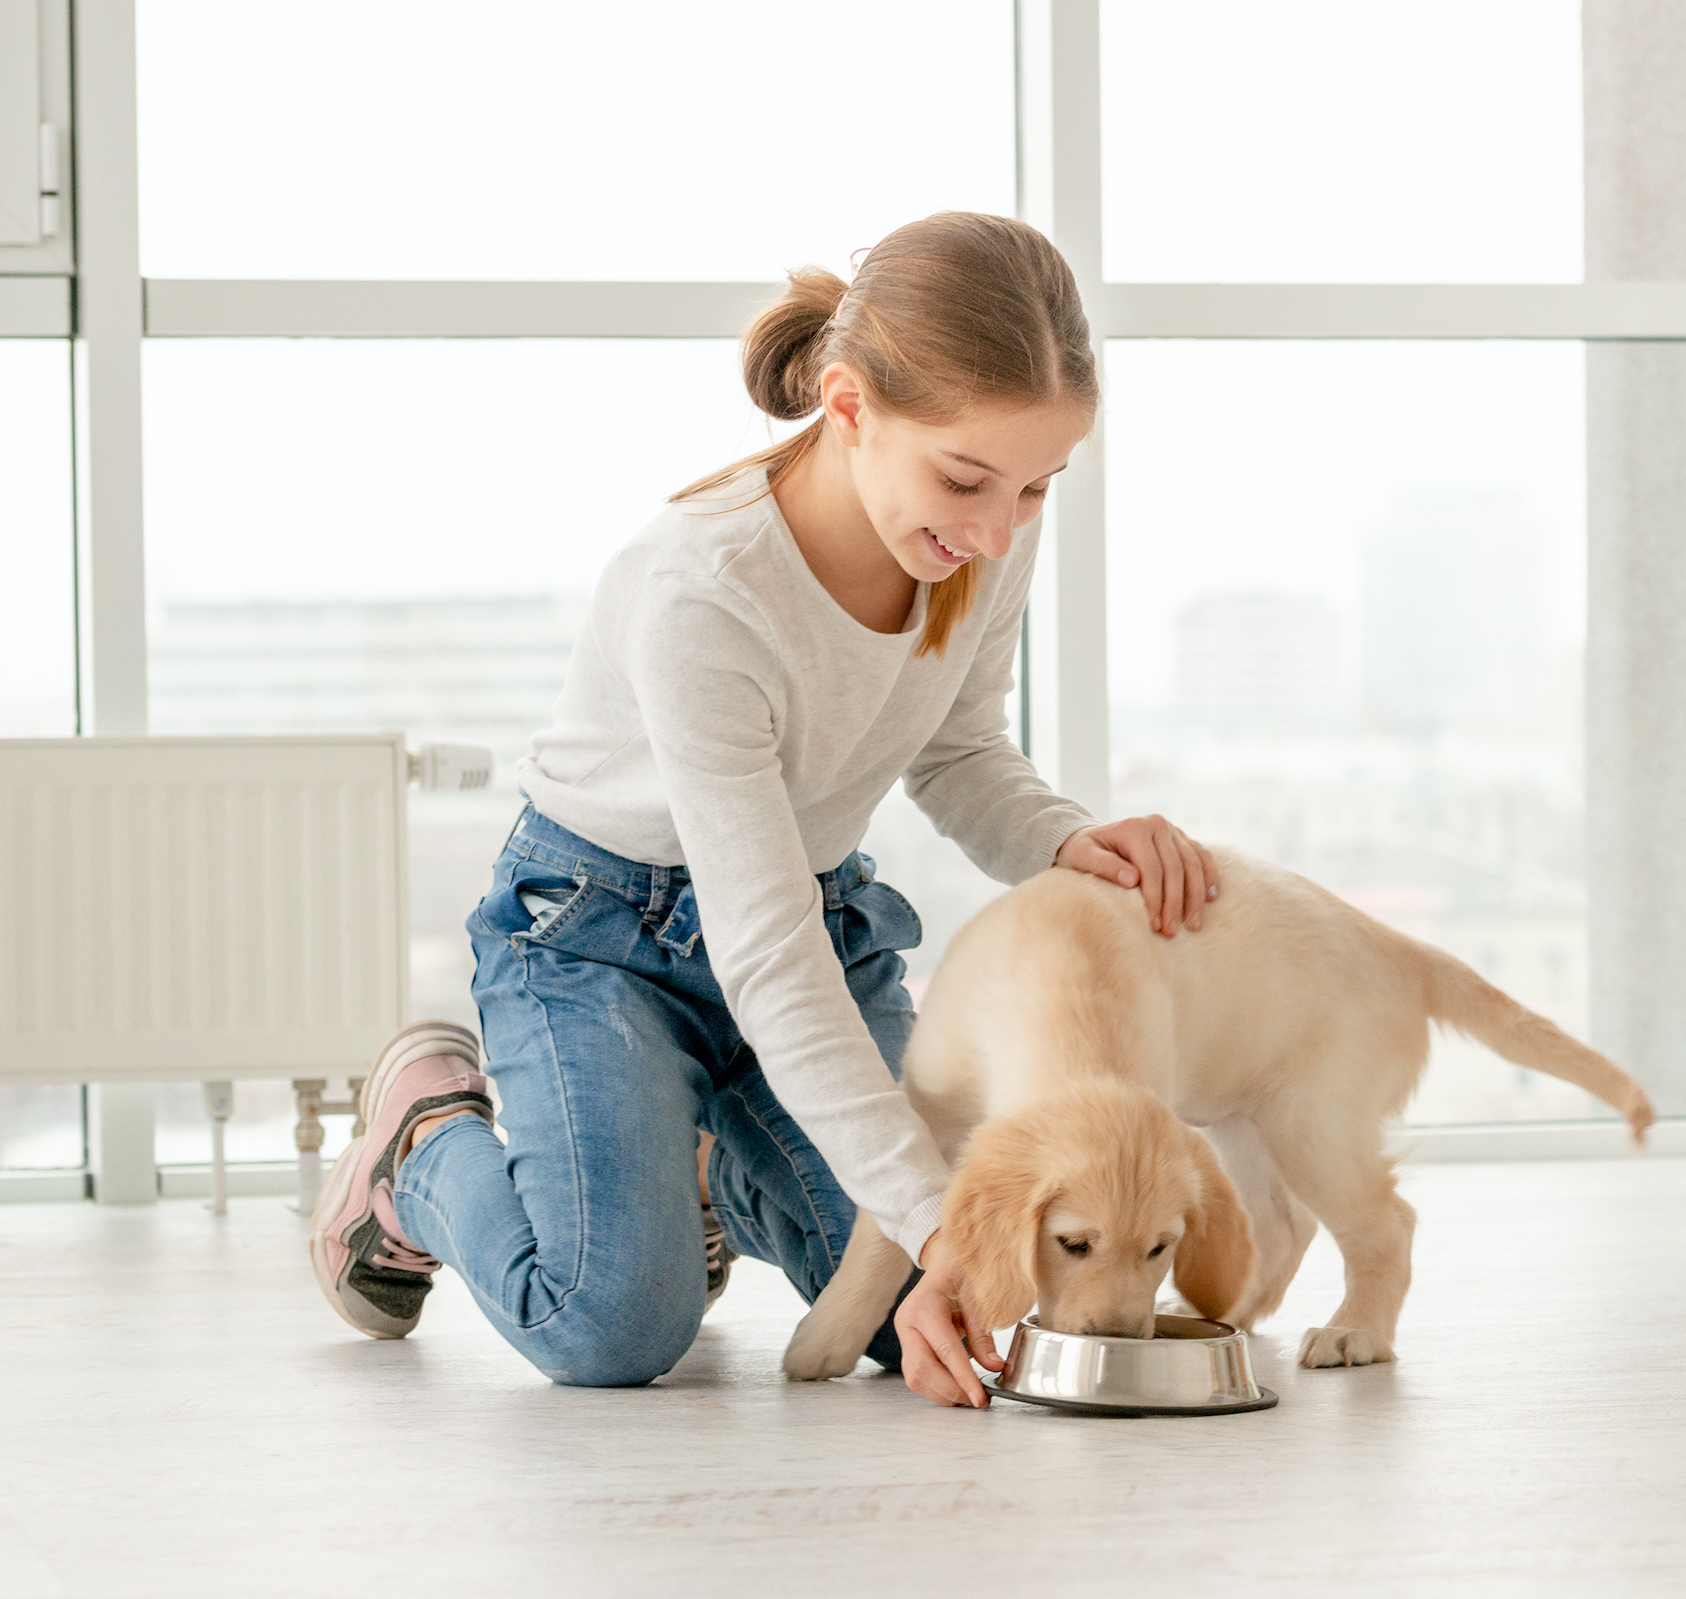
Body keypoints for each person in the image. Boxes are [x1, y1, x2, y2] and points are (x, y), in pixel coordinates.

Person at [309, 212, 1216, 1407]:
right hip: (599, 942)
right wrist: (932, 1225)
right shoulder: (702, 594)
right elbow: (766, 954)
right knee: (612, 1329)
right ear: (847, 407)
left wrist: (1062, 839)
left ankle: (697, 1166)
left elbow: (956, 748)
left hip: (813, 925)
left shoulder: (980, 534)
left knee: (945, 1314)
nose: (999, 529)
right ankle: (423, 1140)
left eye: (1039, 484)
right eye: (967, 479)